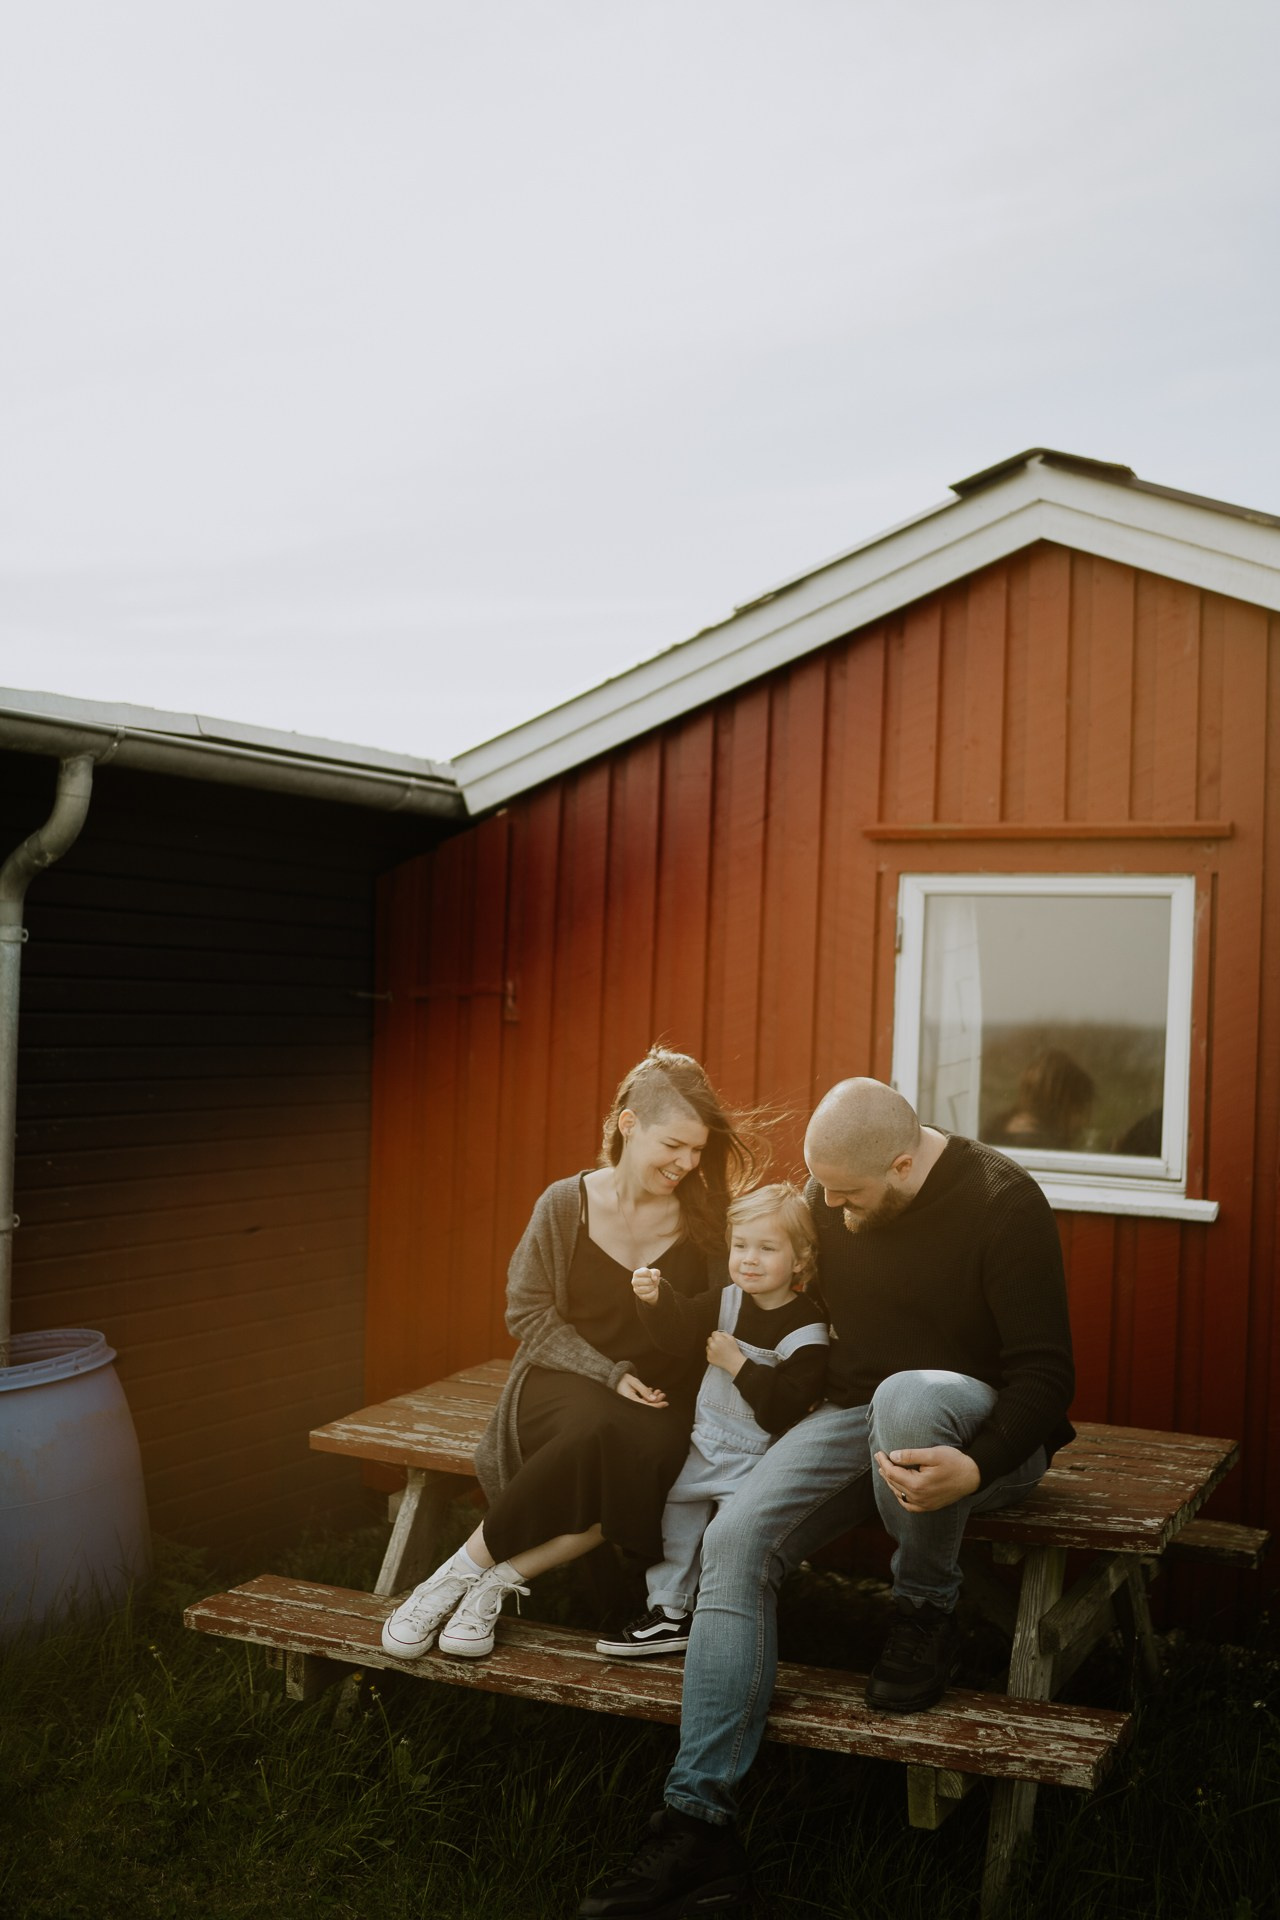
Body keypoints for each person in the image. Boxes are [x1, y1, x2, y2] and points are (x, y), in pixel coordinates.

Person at [580, 1076, 1075, 1920]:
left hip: (979, 1428)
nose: (833, 1213)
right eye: (823, 1192)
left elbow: (1046, 1375)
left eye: (848, 1196)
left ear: (905, 1160)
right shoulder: (830, 1186)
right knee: (733, 1542)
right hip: (851, 1413)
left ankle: (925, 1610)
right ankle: (697, 1826)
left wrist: (980, 1465)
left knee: (909, 1399)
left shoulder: (1003, 1203)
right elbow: (765, 1262)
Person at [380, 1047, 759, 1663]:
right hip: (564, 1377)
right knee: (595, 1429)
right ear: (629, 1123)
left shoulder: (707, 1217)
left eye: (698, 1150)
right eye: (675, 1145)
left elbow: (725, 1312)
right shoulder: (565, 1204)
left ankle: (484, 1583)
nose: (688, 1163)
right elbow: (527, 1313)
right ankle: (449, 1580)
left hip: (665, 1397)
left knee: (644, 1457)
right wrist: (609, 1373)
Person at [595, 1183, 829, 1658]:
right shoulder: (726, 1301)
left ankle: (728, 1620)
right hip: (706, 1445)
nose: (749, 1259)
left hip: (760, 1461)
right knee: (674, 1518)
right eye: (740, 1246)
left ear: (800, 1260)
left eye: (767, 1248)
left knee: (732, 1543)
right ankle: (670, 1612)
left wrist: (737, 1363)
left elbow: (785, 1406)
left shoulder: (807, 1330)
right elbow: (678, 1331)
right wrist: (656, 1299)